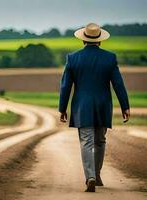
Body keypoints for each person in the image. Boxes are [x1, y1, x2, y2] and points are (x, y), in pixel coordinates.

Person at [58, 23, 130, 192]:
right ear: (100, 41)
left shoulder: (73, 58)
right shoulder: (110, 58)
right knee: (100, 141)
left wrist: (62, 108)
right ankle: (96, 175)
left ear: (83, 39)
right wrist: (125, 106)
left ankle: (89, 176)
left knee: (86, 141)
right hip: (103, 106)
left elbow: (65, 86)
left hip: (82, 107)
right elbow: (118, 84)